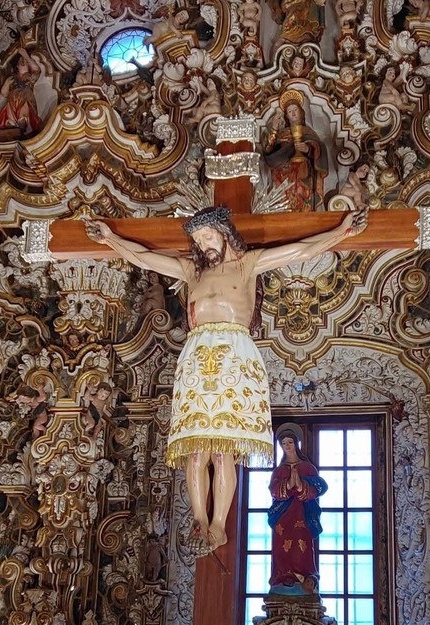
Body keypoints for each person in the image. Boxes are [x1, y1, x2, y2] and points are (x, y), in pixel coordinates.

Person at [84, 205, 367, 556]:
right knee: (195, 452)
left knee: (222, 453)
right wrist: (110, 239)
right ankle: (199, 519)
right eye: (198, 240)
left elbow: (301, 250)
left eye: (208, 237)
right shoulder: (191, 270)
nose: (203, 245)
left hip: (234, 358)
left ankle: (218, 525)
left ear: (225, 234)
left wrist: (341, 231)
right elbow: (144, 257)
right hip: (197, 361)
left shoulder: (247, 264)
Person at [268, 426, 328, 594]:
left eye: (290, 442)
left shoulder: (308, 468)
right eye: (283, 443)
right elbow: (273, 491)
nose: (287, 446)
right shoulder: (279, 471)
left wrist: (301, 486)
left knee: (302, 546)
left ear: (296, 443)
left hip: (302, 514)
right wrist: (288, 485)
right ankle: (282, 578)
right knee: (281, 547)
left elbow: (318, 488)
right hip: (283, 516)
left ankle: (305, 578)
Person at [264, 89, 327, 212]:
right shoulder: (282, 133)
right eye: (289, 111)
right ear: (286, 116)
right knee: (283, 201)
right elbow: (269, 152)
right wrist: (274, 130)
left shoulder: (308, 132)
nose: (293, 114)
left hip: (303, 171)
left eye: (295, 110)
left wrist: (307, 149)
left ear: (301, 112)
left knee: (303, 196)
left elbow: (319, 149)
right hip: (283, 172)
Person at [0, 49, 44, 138]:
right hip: (12, 100)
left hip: (25, 98)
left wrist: (26, 56)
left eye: (25, 61)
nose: (23, 61)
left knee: (23, 114)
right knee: (11, 117)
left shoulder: (30, 77)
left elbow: (37, 70)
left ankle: (23, 128)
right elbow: (4, 94)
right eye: (20, 60)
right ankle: (12, 127)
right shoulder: (12, 78)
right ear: (17, 65)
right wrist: (6, 84)